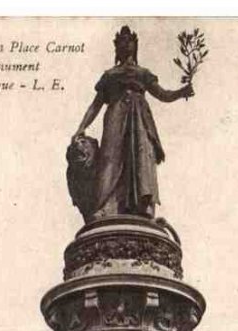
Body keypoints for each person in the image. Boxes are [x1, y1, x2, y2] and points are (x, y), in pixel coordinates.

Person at [73, 26, 193, 219]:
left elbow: (163, 94)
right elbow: (95, 105)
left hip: (139, 119)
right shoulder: (110, 75)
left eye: (129, 41)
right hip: (115, 115)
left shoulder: (142, 73)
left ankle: (142, 206)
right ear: (116, 48)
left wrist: (181, 92)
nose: (125, 44)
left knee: (140, 158)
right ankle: (106, 206)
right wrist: (81, 127)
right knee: (109, 158)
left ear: (135, 46)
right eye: (121, 42)